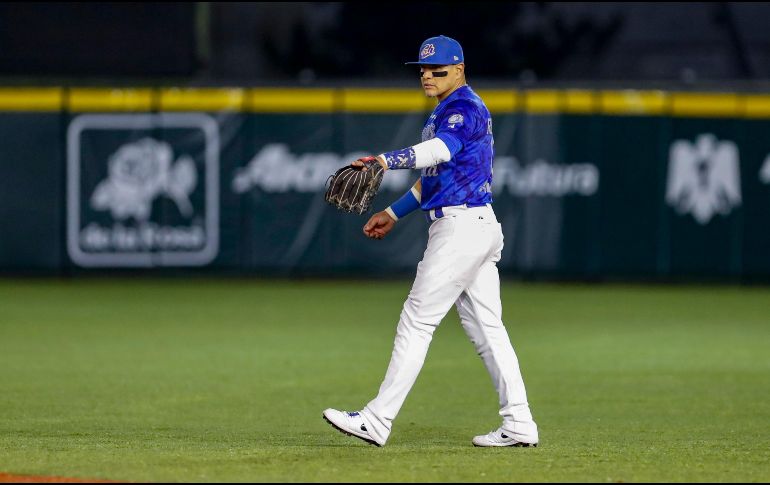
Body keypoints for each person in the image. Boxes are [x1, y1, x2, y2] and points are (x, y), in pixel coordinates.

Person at [322, 35, 539, 448]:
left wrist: (386, 160)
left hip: (461, 229)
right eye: (422, 68)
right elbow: (436, 177)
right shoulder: (447, 109)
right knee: (489, 331)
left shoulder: (463, 107)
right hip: (474, 225)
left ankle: (376, 419)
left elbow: (439, 151)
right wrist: (392, 212)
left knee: (418, 320)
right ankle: (520, 423)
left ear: (458, 69)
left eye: (437, 68)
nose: (427, 74)